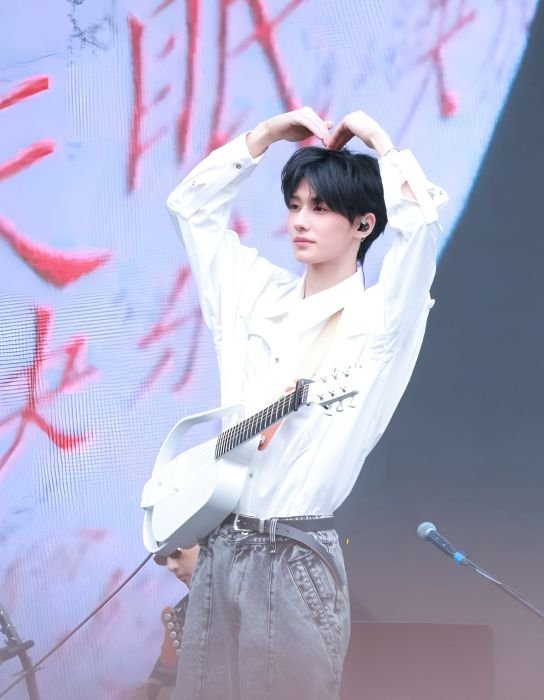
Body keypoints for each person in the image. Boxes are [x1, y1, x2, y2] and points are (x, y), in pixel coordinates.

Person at [165, 107, 448, 700]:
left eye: (320, 208)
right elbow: (191, 208)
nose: (300, 220)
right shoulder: (253, 295)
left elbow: (421, 224)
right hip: (220, 549)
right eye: (294, 205)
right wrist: (264, 136)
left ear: (364, 224)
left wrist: (379, 140)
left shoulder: (380, 321)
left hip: (295, 555)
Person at [130, 546, 200, 700]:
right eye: (166, 558)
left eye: (176, 552)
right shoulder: (182, 612)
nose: (171, 566)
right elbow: (162, 672)